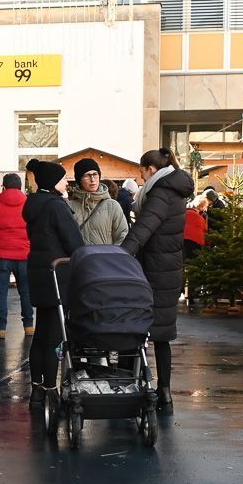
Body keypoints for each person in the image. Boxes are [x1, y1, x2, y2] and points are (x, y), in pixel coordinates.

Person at [120, 149, 195, 411]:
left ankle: (127, 384)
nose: (140, 177)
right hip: (168, 268)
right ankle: (165, 393)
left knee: (135, 328)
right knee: (162, 334)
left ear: (151, 169)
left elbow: (144, 228)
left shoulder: (161, 193)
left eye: (141, 170)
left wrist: (121, 255)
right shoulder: (172, 189)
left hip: (155, 270)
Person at [22, 159, 82, 396]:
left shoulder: (34, 204)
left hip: (39, 272)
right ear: (52, 182)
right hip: (58, 276)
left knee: (41, 334)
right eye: (63, 178)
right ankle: (50, 389)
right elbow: (74, 242)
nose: (66, 182)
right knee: (55, 336)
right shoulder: (56, 206)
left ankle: (37, 388)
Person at [0, 172, 33, 340]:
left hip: (1, 255)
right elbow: (35, 230)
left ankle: (0, 328)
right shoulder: (28, 205)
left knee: (0, 292)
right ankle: (29, 325)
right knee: (26, 291)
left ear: (4, 187)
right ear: (20, 187)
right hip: (24, 254)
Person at [69, 157, 128, 247]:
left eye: (95, 174)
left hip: (105, 259)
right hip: (79, 259)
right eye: (87, 175)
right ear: (79, 179)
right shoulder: (69, 206)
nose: (92, 179)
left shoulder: (112, 205)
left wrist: (113, 256)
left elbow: (122, 236)